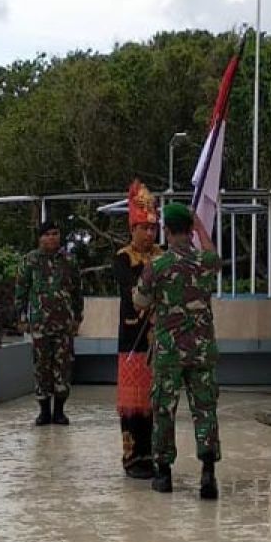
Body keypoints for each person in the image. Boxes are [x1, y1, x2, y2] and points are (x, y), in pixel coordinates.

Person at [133, 203, 221, 499]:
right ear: (190, 230)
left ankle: (163, 474)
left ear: (167, 231)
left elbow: (141, 303)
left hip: (169, 353)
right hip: (201, 351)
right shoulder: (205, 261)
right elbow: (215, 255)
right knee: (205, 409)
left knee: (164, 410)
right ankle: (208, 473)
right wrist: (200, 225)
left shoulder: (156, 266)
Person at [112, 179, 162, 479]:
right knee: (133, 404)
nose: (149, 233)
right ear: (133, 229)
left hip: (158, 341)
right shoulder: (123, 258)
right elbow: (133, 290)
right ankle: (133, 459)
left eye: (153, 228)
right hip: (133, 339)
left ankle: (154, 455)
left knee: (155, 402)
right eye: (144, 227)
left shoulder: (161, 255)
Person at [15, 220, 84, 426]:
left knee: (63, 367)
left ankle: (59, 411)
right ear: (40, 238)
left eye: (55, 233)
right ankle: (44, 411)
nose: (52, 237)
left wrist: (78, 317)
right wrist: (21, 318)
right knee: (41, 367)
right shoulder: (30, 261)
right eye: (48, 234)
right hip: (40, 325)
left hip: (63, 325)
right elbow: (21, 291)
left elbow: (77, 291)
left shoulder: (69, 261)